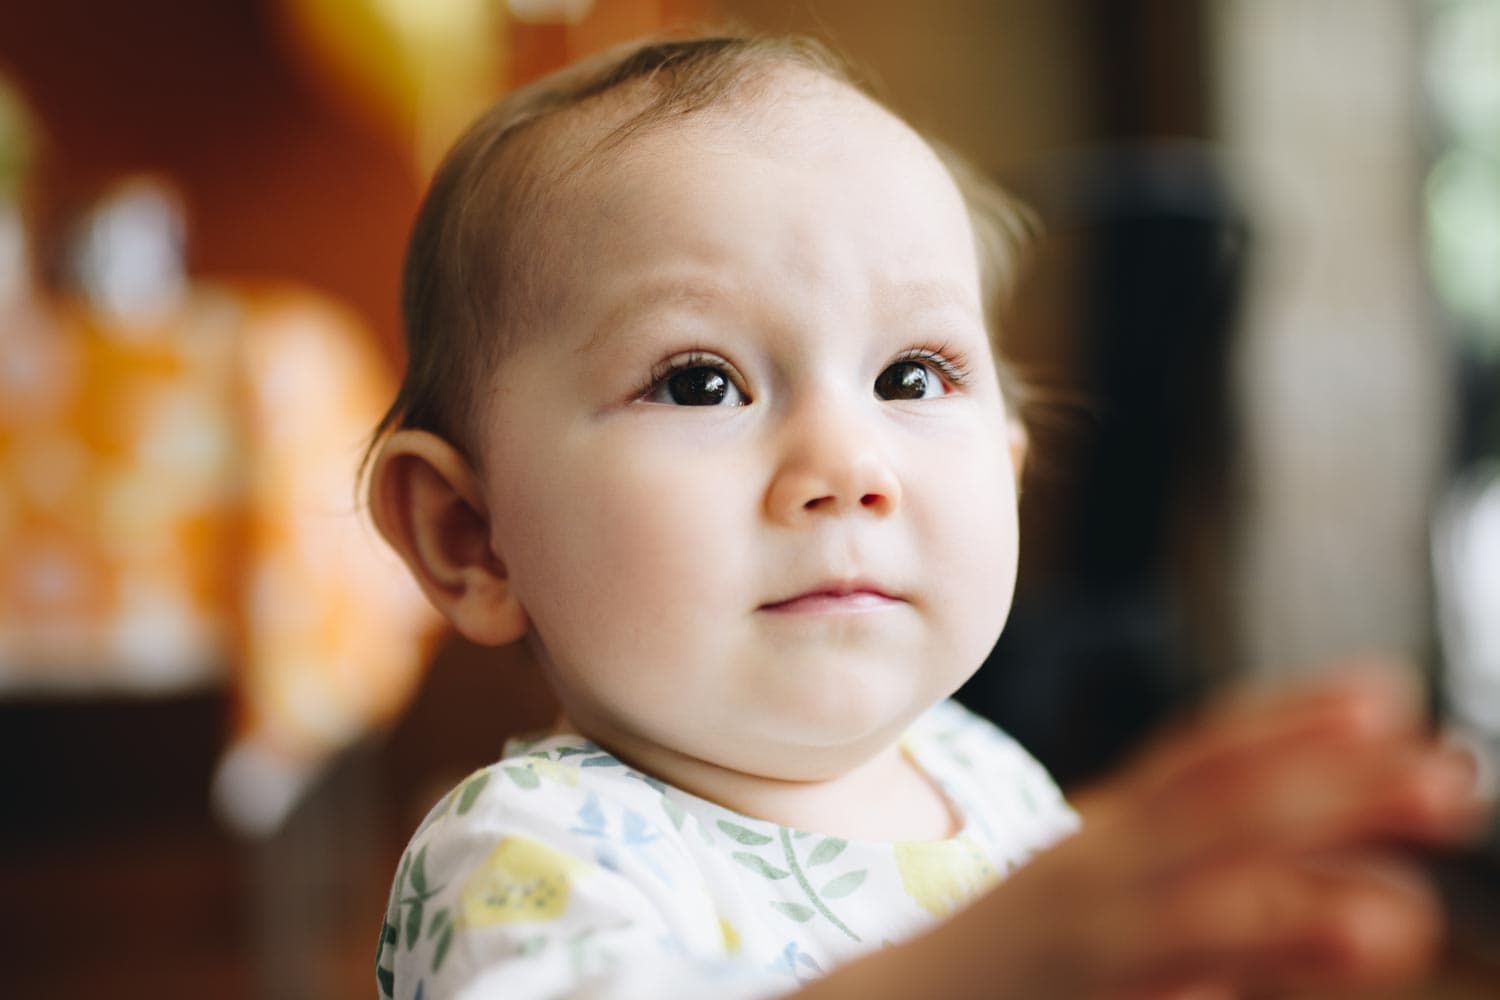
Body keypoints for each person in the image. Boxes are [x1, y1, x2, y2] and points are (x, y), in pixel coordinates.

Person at [365, 33, 1487, 999]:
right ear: (470, 536)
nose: (849, 466)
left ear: (1008, 467)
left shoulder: (987, 778)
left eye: (910, 376)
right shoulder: (522, 857)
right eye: (701, 383)